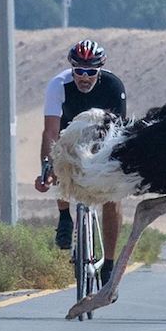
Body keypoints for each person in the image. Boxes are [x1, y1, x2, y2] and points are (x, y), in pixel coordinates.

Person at [34, 39, 126, 289]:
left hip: (101, 136)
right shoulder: (58, 85)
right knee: (60, 159)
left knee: (112, 195)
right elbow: (51, 132)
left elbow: (118, 135)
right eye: (79, 71)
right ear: (72, 68)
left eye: (90, 72)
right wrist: (46, 168)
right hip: (68, 133)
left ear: (100, 70)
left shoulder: (113, 86)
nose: (84, 77)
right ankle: (65, 217)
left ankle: (108, 264)